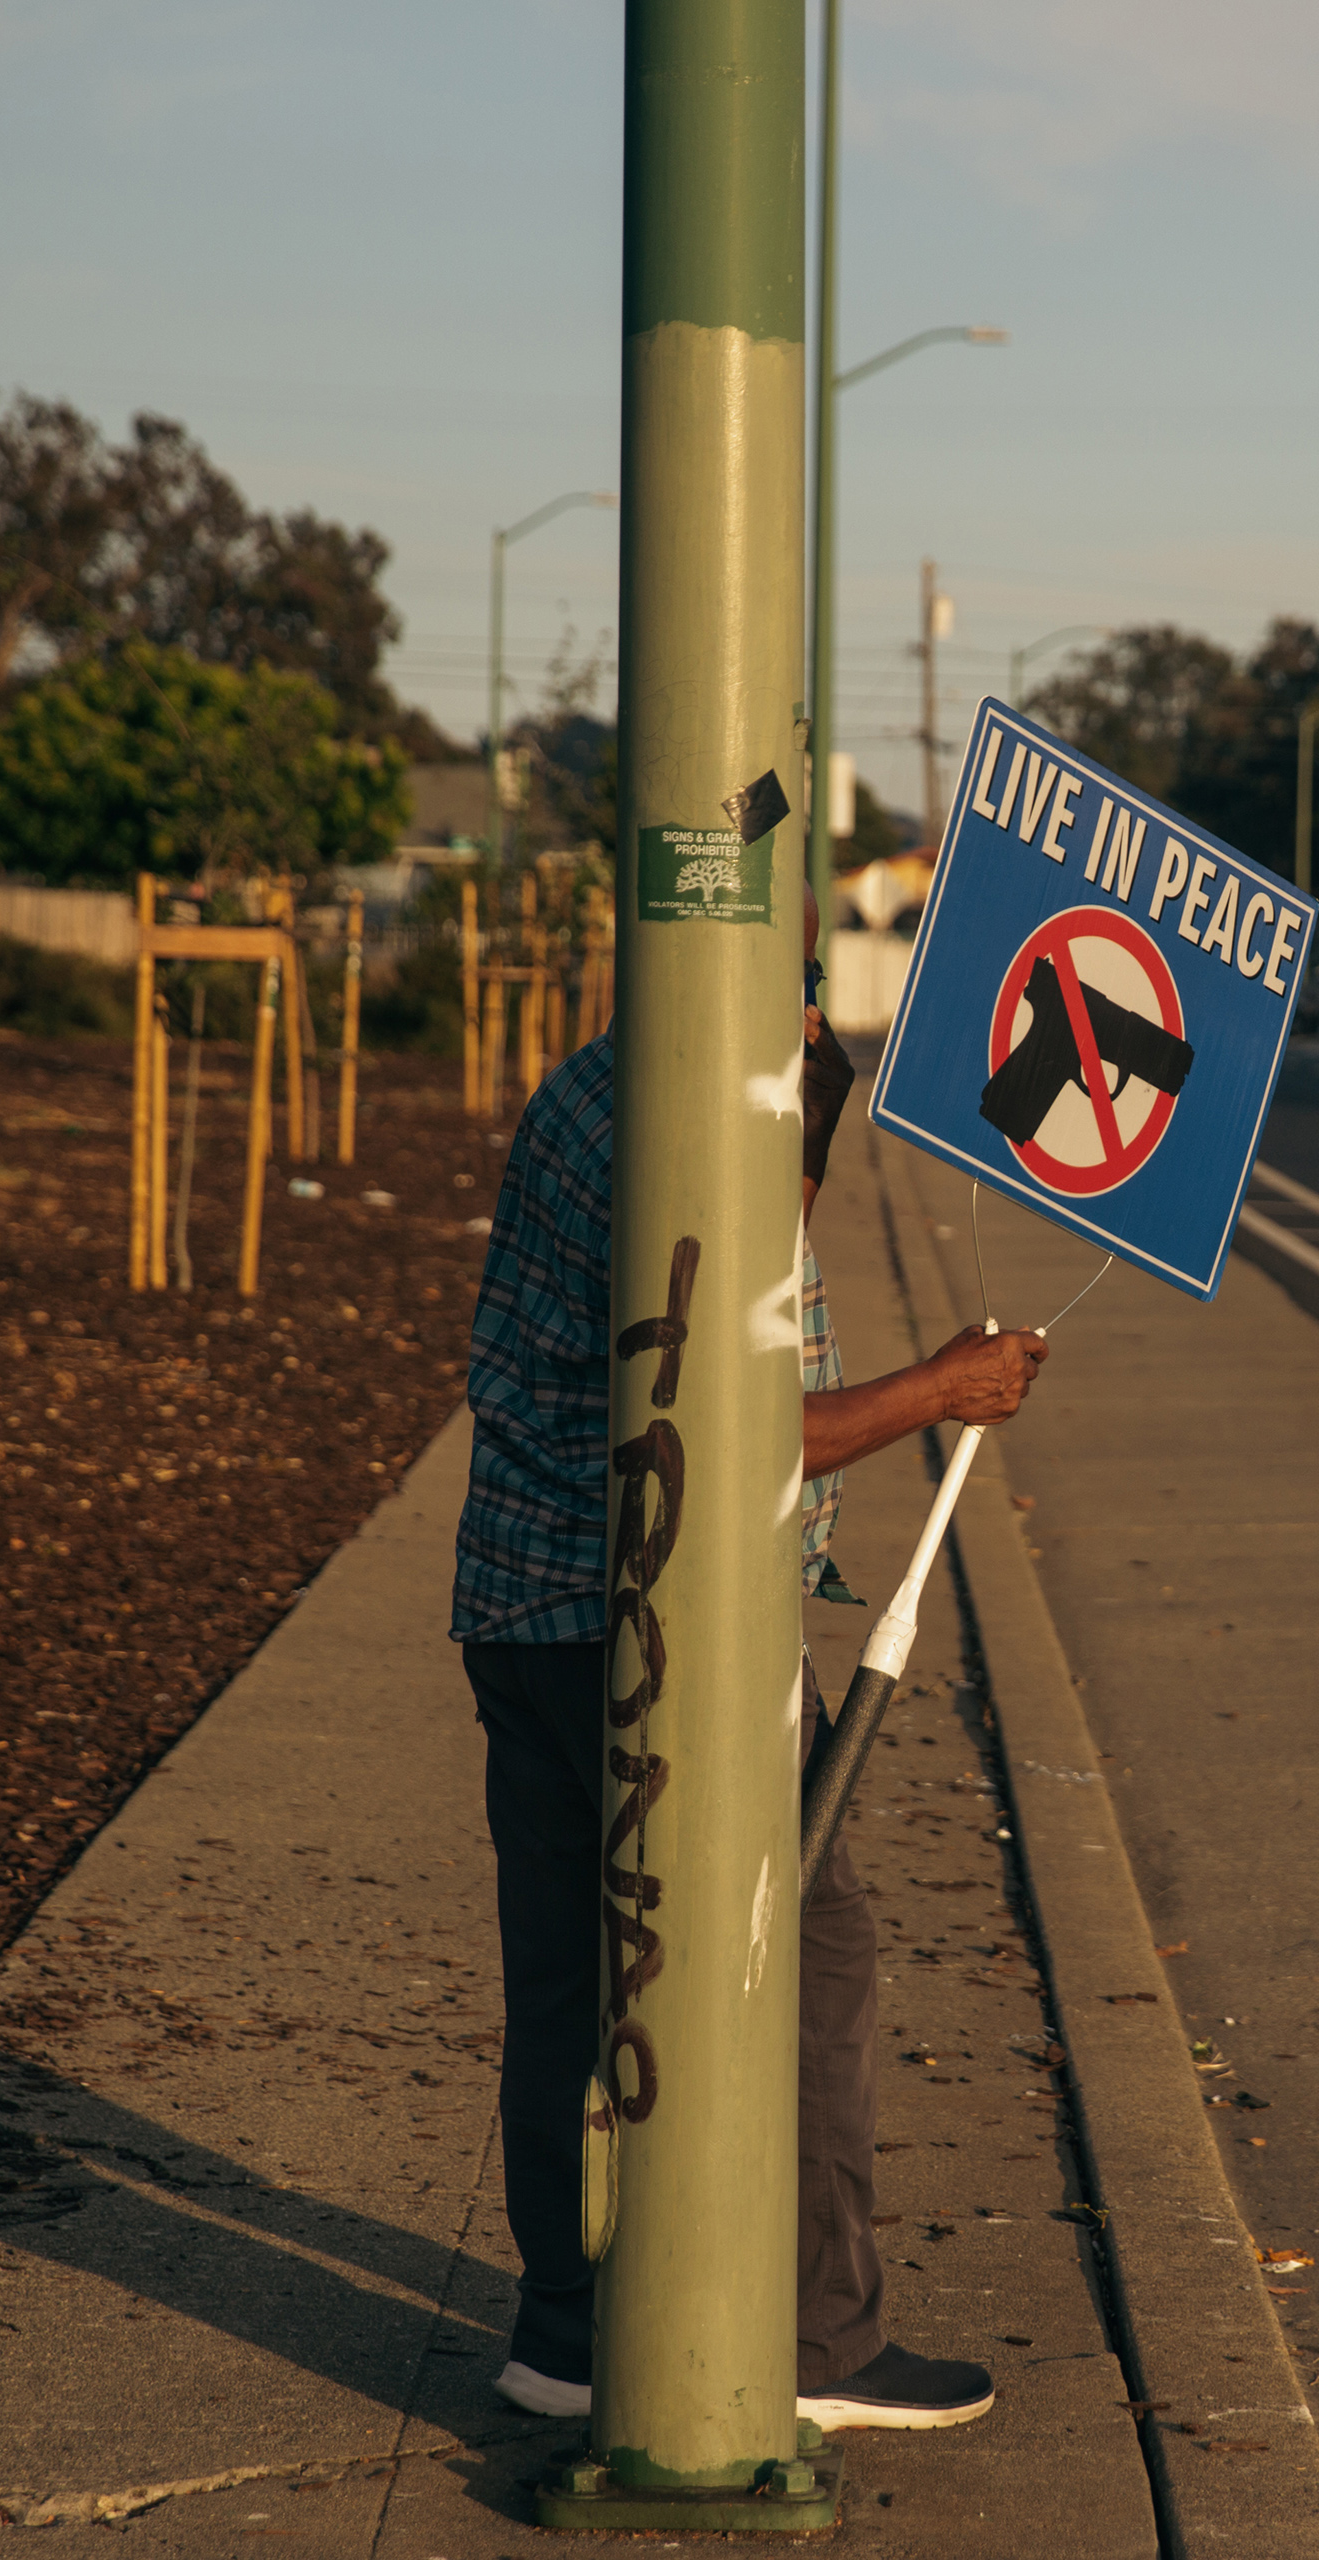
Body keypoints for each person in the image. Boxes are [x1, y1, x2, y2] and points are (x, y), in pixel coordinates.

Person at [456, 989, 1044, 2432]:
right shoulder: (693, 1142)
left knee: (572, 1981)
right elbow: (716, 1430)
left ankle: (570, 2332)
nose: (789, 1230)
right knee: (813, 1957)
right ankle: (817, 2348)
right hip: (667, 1626)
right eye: (795, 1202)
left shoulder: (614, 1086)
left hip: (530, 1606)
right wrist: (936, 1389)